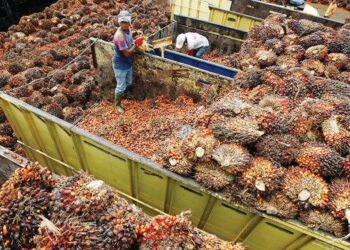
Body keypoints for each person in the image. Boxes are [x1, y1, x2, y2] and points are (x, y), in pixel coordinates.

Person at [112, 10, 142, 113]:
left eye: (126, 22)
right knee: (120, 85)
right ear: (119, 22)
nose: (124, 24)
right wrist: (136, 44)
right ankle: (117, 105)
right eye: (122, 22)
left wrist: (135, 33)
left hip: (128, 63)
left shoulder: (128, 29)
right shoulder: (119, 36)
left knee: (129, 81)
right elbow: (127, 53)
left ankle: (126, 95)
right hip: (120, 64)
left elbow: (129, 35)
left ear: (129, 22)